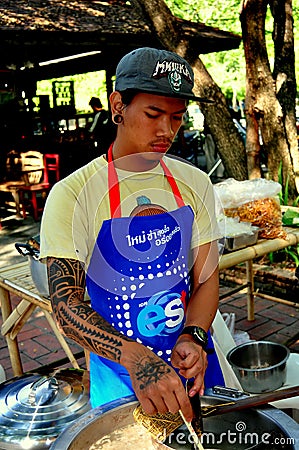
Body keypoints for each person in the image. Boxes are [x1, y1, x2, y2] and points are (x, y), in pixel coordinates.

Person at [40, 47, 224, 423]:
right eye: (153, 114)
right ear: (118, 106)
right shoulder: (75, 194)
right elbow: (65, 306)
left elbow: (206, 278)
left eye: (177, 118)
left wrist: (194, 336)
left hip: (190, 367)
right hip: (121, 376)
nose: (166, 131)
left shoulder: (195, 183)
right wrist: (138, 359)